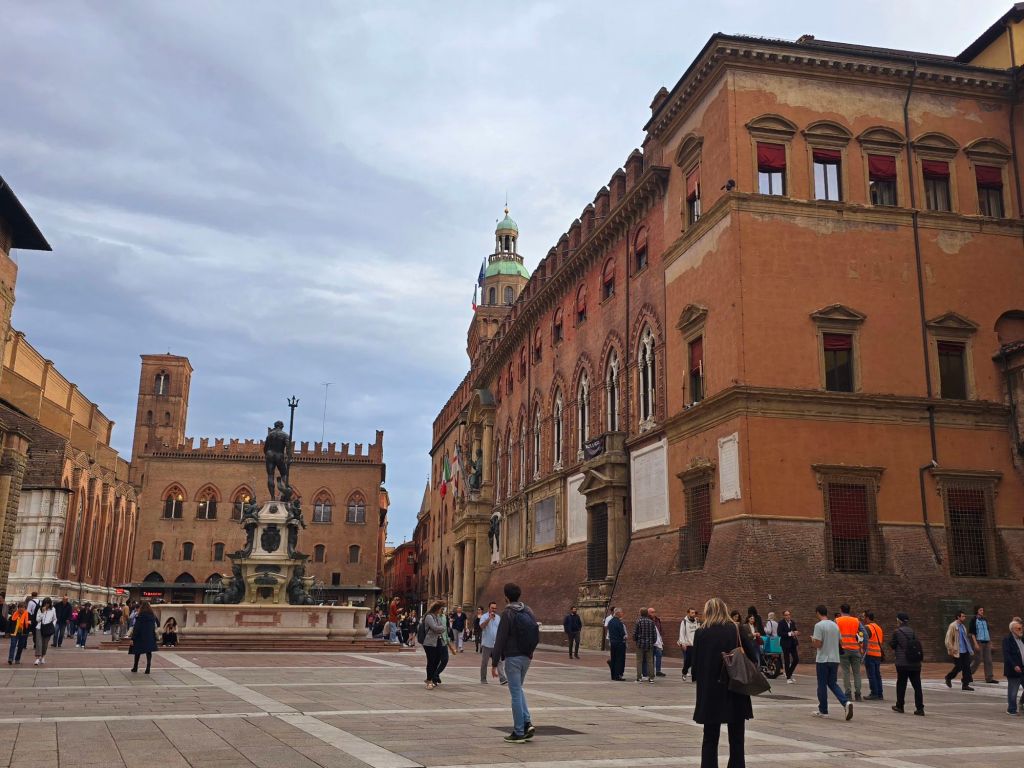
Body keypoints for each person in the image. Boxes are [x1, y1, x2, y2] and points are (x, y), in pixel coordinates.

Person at [692, 597, 755, 768]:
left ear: (708, 611)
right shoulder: (736, 629)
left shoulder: (701, 632)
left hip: (710, 690)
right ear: (725, 610)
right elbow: (753, 656)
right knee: (737, 737)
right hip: (735, 687)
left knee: (710, 737)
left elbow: (695, 664)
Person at [491, 582, 538, 744]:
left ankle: (518, 731)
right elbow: (535, 633)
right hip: (527, 657)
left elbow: (500, 639)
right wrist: (530, 653)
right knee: (519, 690)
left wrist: (494, 662)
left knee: (515, 694)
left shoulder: (508, 613)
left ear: (506, 597)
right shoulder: (528, 610)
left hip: (512, 658)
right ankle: (527, 723)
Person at [811, 604, 853, 720]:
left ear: (818, 613)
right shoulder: (835, 625)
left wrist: (813, 641)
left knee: (822, 684)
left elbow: (818, 644)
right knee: (832, 683)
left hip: (823, 659)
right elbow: (840, 641)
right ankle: (845, 702)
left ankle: (823, 710)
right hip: (835, 659)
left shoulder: (819, 626)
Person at [890, 612, 924, 716]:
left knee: (901, 684)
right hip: (915, 663)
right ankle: (920, 708)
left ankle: (900, 705)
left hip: (902, 663)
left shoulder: (897, 632)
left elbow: (893, 645)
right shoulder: (912, 631)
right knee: (917, 685)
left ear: (899, 621)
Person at [836, 603, 866, 702]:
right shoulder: (856, 621)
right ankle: (858, 694)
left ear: (841, 610)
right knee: (857, 673)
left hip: (843, 649)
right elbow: (864, 633)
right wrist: (863, 646)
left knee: (846, 672)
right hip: (855, 649)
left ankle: (848, 693)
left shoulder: (837, 620)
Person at [944, 610, 975, 691]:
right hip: (956, 650)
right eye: (963, 616)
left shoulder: (963, 627)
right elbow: (948, 639)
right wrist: (951, 649)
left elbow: (965, 639)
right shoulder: (953, 626)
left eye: (964, 616)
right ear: (958, 617)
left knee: (967, 667)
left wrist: (969, 649)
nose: (964, 617)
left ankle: (965, 684)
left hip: (965, 650)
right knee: (959, 666)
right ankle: (948, 677)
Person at [968, 606, 998, 684]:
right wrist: (975, 644)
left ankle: (989, 678)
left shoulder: (985, 620)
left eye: (982, 610)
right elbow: (972, 633)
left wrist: (991, 643)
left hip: (987, 642)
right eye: (980, 610)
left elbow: (987, 631)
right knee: (977, 660)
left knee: (989, 660)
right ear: (977, 611)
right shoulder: (973, 620)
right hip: (979, 642)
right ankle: (967, 674)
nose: (982, 611)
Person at [479, 601, 506, 684]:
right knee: (485, 662)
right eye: (492, 608)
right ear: (489, 608)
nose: (494, 610)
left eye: (495, 608)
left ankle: (502, 678)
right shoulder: (484, 616)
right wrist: (489, 618)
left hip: (496, 644)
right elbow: (482, 626)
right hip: (487, 643)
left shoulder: (498, 617)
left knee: (499, 661)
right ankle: (483, 679)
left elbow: (500, 629)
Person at [422, 601, 447, 689]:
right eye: (441, 609)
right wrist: (441, 628)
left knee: (437, 660)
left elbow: (441, 627)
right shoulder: (429, 616)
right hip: (429, 643)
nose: (442, 610)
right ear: (437, 609)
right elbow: (435, 628)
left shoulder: (436, 617)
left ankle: (432, 678)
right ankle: (429, 680)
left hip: (438, 641)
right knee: (431, 661)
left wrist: (440, 628)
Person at [129, 601, 159, 673]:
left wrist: (133, 638)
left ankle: (135, 667)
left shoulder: (140, 616)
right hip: (149, 636)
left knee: (137, 651)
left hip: (140, 636)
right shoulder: (153, 616)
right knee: (148, 652)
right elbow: (158, 624)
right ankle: (148, 668)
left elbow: (136, 628)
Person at [1002, 620, 1024, 716]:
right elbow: (1007, 655)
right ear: (1012, 630)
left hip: (1023, 668)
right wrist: (1014, 665)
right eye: (1018, 628)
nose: (1021, 630)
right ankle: (1011, 709)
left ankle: (1021, 704)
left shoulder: (1021, 639)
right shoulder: (1007, 640)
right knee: (1013, 690)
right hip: (1013, 669)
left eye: (1021, 628)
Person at [863, 611, 884, 700]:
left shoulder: (868, 627)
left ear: (867, 618)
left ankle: (874, 693)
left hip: (870, 654)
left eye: (864, 617)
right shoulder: (878, 627)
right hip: (878, 654)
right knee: (877, 674)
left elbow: (863, 638)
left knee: (871, 674)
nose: (863, 619)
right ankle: (879, 693)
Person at [633, 608, 657, 683]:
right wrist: (652, 642)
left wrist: (635, 640)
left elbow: (635, 633)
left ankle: (639, 678)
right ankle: (651, 678)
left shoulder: (638, 621)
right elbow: (654, 634)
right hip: (649, 644)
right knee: (650, 661)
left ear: (640, 613)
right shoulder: (651, 622)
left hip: (640, 644)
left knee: (639, 661)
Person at [678, 607, 701, 682]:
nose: (693, 614)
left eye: (694, 613)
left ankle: (694, 677)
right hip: (688, 644)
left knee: (696, 661)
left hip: (696, 644)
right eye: (692, 613)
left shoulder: (697, 621)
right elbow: (682, 633)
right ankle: (684, 672)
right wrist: (683, 643)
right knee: (688, 661)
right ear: (688, 613)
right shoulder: (684, 622)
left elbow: (699, 631)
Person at [33, 598, 57, 666]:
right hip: (39, 627)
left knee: (45, 644)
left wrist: (53, 626)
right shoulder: (40, 609)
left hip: (48, 628)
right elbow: (37, 619)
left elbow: (55, 619)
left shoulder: (53, 609)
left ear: (50, 604)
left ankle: (43, 656)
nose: (46, 605)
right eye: (45, 603)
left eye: (48, 603)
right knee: (38, 643)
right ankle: (37, 658)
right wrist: (42, 612)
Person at [778, 610, 800, 683]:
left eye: (789, 614)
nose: (788, 616)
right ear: (784, 616)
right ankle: (788, 678)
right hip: (785, 643)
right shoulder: (781, 623)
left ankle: (789, 673)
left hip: (793, 643)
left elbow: (794, 630)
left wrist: (796, 632)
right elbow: (779, 633)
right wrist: (789, 634)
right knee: (787, 660)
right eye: (786, 615)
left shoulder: (792, 622)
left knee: (796, 659)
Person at [608, 607, 627, 681]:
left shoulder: (610, 622)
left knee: (614, 659)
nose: (622, 614)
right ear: (618, 613)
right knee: (619, 659)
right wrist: (625, 637)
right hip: (619, 643)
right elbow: (622, 634)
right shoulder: (619, 623)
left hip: (613, 643)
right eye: (621, 612)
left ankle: (613, 675)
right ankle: (618, 675)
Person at [648, 607, 666, 677]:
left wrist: (661, 636)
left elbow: (660, 629)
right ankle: (651, 670)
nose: (654, 613)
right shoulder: (647, 620)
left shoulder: (657, 620)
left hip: (658, 640)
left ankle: (658, 671)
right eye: (652, 612)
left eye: (654, 612)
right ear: (648, 613)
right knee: (651, 657)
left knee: (659, 655)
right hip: (651, 641)